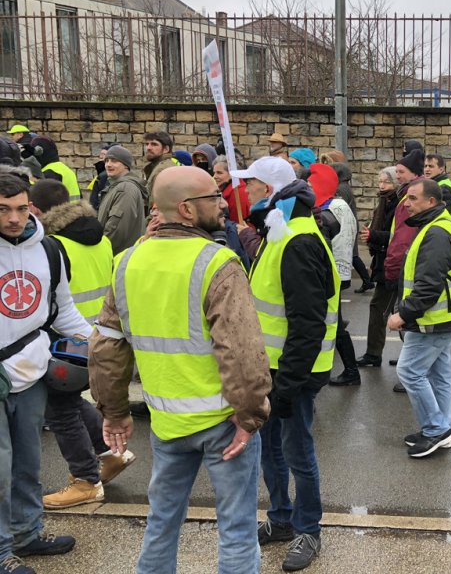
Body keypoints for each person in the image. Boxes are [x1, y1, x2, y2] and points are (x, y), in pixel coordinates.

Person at [89, 166, 271, 574]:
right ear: (187, 209)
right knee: (238, 528)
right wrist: (250, 415)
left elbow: (107, 346)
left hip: (167, 421)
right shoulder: (218, 262)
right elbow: (241, 350)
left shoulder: (126, 262)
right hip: (225, 423)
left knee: (162, 520)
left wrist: (114, 410)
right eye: (213, 197)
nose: (223, 202)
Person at [231, 157, 336, 572]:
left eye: (252, 184)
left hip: (293, 373)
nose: (247, 191)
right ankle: (280, 520)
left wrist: (289, 383)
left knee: (297, 451)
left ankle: (308, 529)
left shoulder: (298, 240)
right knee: (270, 449)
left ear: (271, 188)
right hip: (270, 368)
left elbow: (308, 322)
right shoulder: (279, 228)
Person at [0, 171, 91, 574]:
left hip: (31, 371)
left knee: (27, 461)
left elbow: (63, 308)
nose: (14, 218)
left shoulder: (49, 250)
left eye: (20, 208)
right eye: (2, 210)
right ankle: (2, 550)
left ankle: (26, 533)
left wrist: (97, 343)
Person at [26, 181, 136, 510]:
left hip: (63, 338)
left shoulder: (50, 244)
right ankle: (112, 453)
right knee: (69, 402)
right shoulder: (99, 237)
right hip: (96, 335)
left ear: (34, 209)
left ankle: (86, 480)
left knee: (58, 412)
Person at [387, 178, 451, 458]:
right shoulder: (435, 226)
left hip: (432, 318)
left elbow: (429, 285)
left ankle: (436, 430)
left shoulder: (436, 232)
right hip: (441, 316)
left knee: (409, 371)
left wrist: (403, 314)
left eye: (413, 198)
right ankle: (440, 428)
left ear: (431, 202)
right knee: (438, 375)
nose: (406, 204)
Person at [307, 164, 362, 388]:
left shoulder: (333, 207)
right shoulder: (331, 205)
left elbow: (333, 240)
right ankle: (350, 370)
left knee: (334, 324)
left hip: (331, 274)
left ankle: (350, 371)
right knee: (333, 323)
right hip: (335, 272)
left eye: (312, 183)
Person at [378, 150, 426, 389]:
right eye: (395, 172)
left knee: (405, 318)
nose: (397, 176)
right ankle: (411, 365)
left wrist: (391, 268)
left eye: (401, 172)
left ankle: (411, 373)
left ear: (413, 174)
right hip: (405, 264)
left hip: (404, 266)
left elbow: (402, 238)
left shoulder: (410, 197)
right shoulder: (409, 194)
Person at [356, 167, 399, 368]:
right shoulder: (385, 202)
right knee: (385, 310)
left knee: (389, 311)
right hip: (383, 262)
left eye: (387, 182)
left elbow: (397, 237)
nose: (382, 186)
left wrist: (374, 236)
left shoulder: (397, 203)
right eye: (380, 181)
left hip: (393, 265)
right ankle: (375, 354)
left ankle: (376, 354)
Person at [96, 145, 148, 255]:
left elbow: (116, 229)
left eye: (114, 161)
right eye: (107, 161)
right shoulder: (115, 187)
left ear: (126, 165)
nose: (108, 165)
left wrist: (99, 250)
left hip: (118, 255)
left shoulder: (125, 188)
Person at [333, 161, 373, 292]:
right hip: (350, 223)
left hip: (347, 224)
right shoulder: (344, 186)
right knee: (353, 254)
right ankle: (367, 281)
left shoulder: (341, 188)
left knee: (353, 255)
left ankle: (367, 281)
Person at [27, 136, 81, 203]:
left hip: (58, 213)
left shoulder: (48, 173)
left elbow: (42, 203)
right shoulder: (65, 169)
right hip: (73, 211)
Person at [212, 155, 250, 224]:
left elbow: (237, 225)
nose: (214, 176)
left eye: (219, 173)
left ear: (231, 174)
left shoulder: (237, 194)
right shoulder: (228, 191)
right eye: (214, 173)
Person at [88, 144, 112, 210]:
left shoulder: (106, 175)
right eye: (101, 153)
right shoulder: (100, 172)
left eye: (104, 154)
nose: (101, 156)